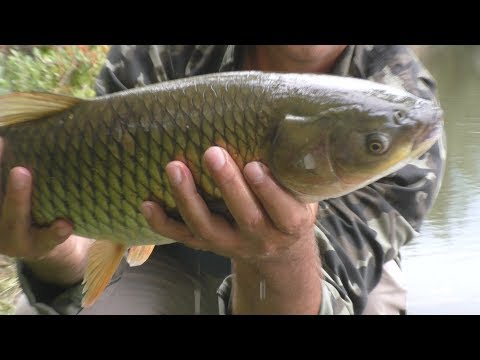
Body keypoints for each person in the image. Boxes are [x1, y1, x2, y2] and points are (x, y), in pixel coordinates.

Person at [1, 45, 446, 315]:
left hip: (326, 270)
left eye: (373, 147)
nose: (377, 147)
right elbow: (98, 205)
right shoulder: (160, 53)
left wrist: (283, 251)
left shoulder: (401, 102)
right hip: (157, 247)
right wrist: (53, 246)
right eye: (374, 146)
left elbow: (319, 289)